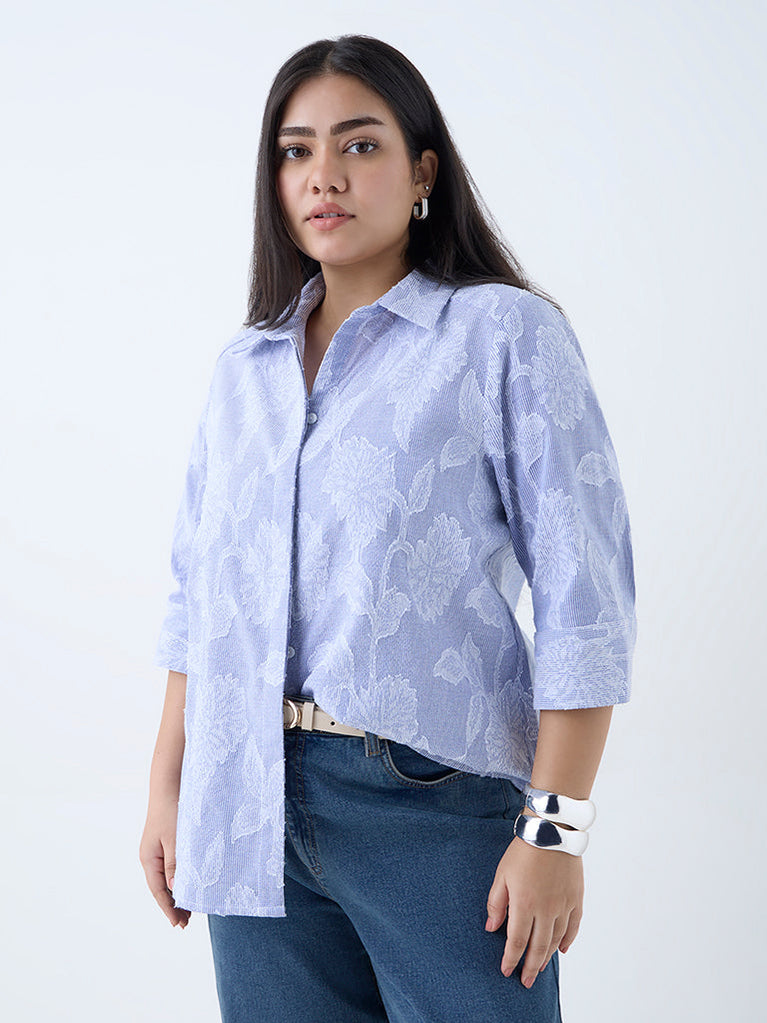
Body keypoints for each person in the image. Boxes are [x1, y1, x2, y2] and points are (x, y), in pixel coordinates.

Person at [139, 33, 637, 1023]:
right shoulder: (243, 370)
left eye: (358, 145)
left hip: (427, 802)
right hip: (246, 799)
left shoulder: (501, 335)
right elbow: (199, 595)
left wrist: (554, 833)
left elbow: (585, 598)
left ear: (422, 174)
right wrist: (169, 787)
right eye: (295, 151)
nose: (322, 175)